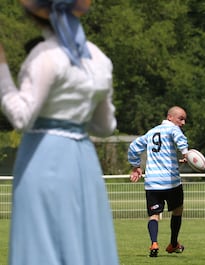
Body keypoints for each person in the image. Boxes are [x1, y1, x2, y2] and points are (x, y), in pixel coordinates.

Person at [0, 1, 120, 264]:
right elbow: (105, 126)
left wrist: (2, 72)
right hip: (83, 158)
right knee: (85, 239)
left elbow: (21, 116)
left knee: (41, 240)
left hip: (44, 156)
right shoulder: (98, 58)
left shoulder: (46, 56)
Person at [128, 106, 188, 258]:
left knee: (154, 215)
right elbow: (180, 139)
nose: (183, 123)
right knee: (178, 210)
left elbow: (134, 147)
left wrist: (136, 166)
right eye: (180, 118)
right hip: (171, 182)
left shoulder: (151, 132)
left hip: (153, 183)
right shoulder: (172, 129)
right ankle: (173, 243)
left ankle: (154, 243)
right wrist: (186, 153)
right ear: (170, 117)